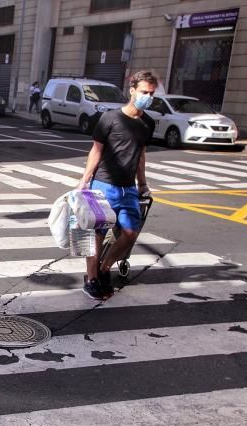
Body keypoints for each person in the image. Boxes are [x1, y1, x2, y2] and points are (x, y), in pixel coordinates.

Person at [76, 70, 157, 300]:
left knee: (130, 232)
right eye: (144, 92)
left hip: (128, 188)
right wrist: (84, 182)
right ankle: (91, 279)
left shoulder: (147, 123)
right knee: (96, 234)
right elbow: (96, 151)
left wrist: (142, 184)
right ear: (132, 91)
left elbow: (141, 155)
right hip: (103, 185)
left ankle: (104, 269)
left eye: (151, 93)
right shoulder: (110, 118)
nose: (148, 97)